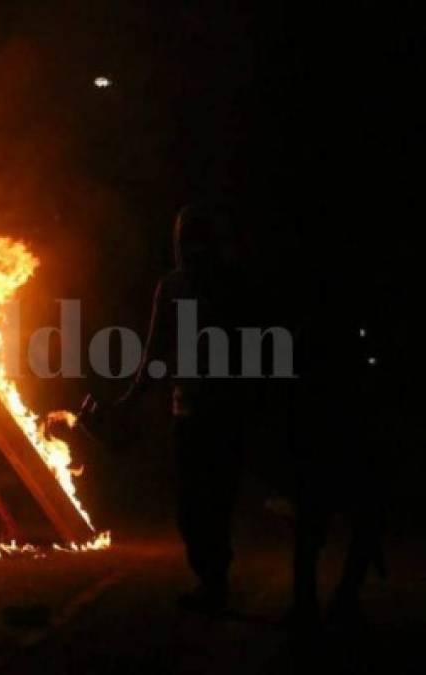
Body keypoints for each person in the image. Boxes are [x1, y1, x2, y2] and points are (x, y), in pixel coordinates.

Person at [80, 205, 249, 612]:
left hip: (226, 413)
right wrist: (128, 402)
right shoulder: (171, 287)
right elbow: (155, 351)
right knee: (191, 509)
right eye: (183, 239)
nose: (189, 247)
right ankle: (210, 579)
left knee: (217, 502)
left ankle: (215, 585)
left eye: (196, 238)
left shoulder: (230, 286)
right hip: (187, 412)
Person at [287, 286, 387, 631]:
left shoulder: (314, 332)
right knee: (351, 522)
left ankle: (312, 602)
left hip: (330, 438)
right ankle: (333, 599)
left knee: (316, 525)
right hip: (340, 437)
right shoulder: (346, 331)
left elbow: (292, 390)